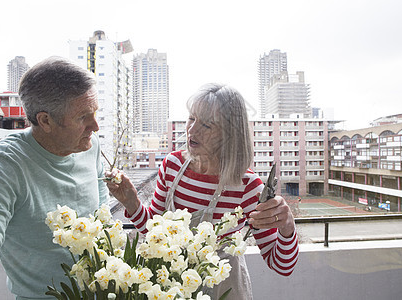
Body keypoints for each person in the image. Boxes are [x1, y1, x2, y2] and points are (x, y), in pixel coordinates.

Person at [107, 83, 299, 300]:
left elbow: (282, 266)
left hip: (223, 291)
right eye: (191, 118)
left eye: (207, 125)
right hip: (171, 287)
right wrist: (131, 203)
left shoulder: (248, 186)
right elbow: (154, 232)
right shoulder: (172, 166)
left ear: (229, 135)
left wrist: (287, 225)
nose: (192, 130)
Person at [0, 57, 109, 299]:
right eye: (82, 117)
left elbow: (102, 214)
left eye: (95, 112)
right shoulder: (4, 165)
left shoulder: (90, 146)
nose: (95, 126)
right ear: (45, 120)